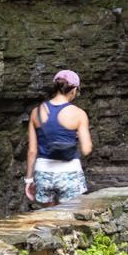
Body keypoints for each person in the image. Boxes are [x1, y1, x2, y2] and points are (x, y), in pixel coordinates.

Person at [25, 69, 92, 206]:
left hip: (43, 172)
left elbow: (32, 151)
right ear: (73, 90)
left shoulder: (36, 112)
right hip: (70, 172)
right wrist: (76, 138)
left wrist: (29, 179)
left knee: (47, 218)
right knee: (70, 219)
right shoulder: (78, 114)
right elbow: (86, 150)